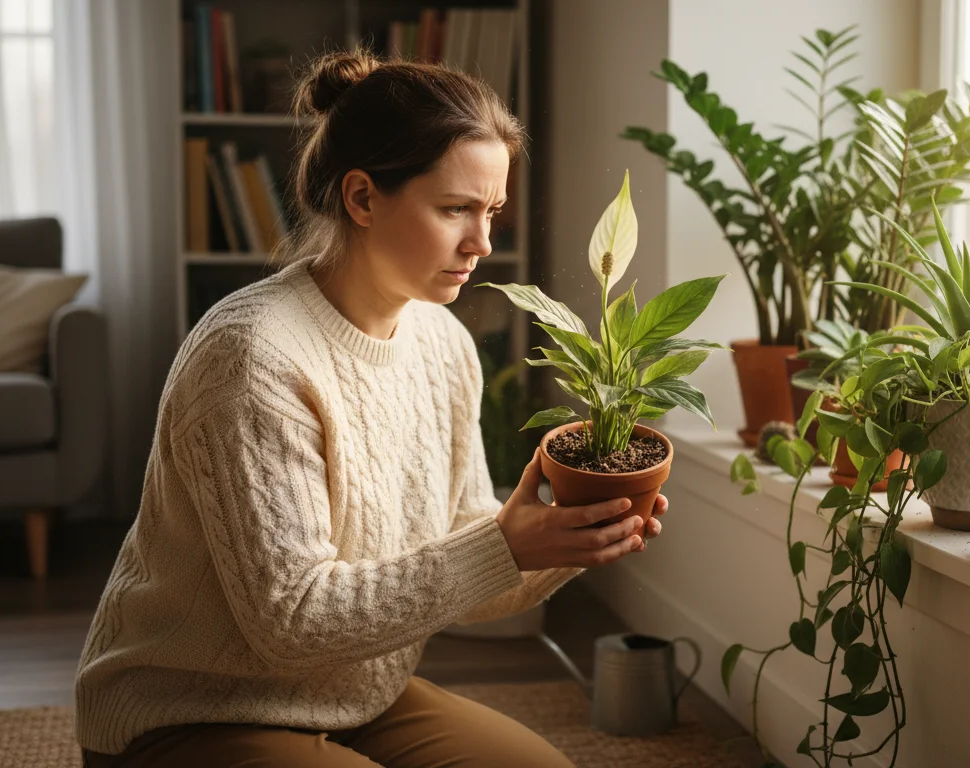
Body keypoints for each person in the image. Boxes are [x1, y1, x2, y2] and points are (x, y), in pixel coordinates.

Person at [72, 48, 668, 768]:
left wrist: (566, 538)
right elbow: (289, 620)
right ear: (361, 198)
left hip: (358, 698)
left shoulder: (442, 341)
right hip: (187, 710)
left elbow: (464, 566)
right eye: (455, 209)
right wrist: (506, 545)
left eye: (493, 212)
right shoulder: (253, 356)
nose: (482, 243)